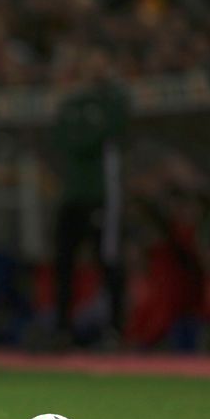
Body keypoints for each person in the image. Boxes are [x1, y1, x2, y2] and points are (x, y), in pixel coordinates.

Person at [52, 47, 130, 348]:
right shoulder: (72, 103)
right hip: (73, 194)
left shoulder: (113, 99)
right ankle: (62, 329)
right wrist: (86, 133)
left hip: (102, 194)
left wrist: (82, 134)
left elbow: (92, 135)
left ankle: (115, 328)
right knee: (64, 261)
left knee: (108, 260)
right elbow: (64, 138)